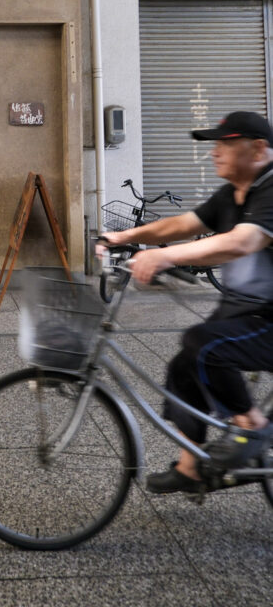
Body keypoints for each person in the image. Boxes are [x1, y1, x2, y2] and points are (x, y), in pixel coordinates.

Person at [98, 110, 273, 494]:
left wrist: (164, 256)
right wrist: (124, 237)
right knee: (184, 365)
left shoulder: (270, 189)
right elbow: (183, 224)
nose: (215, 151)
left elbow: (242, 241)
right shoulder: (232, 194)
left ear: (259, 149)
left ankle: (253, 427)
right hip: (243, 311)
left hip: (267, 319)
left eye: (226, 143)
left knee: (204, 344)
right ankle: (190, 467)